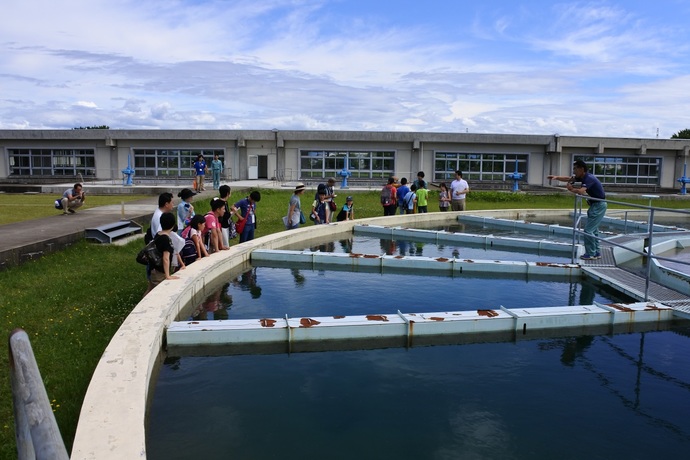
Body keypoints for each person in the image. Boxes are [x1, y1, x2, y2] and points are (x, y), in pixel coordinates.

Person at [548, 160, 607, 260]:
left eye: (575, 168)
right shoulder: (583, 177)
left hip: (598, 205)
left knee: (588, 231)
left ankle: (591, 254)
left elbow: (581, 191)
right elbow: (569, 178)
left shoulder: (589, 178)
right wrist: (556, 177)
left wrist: (571, 189)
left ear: (581, 169)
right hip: (595, 205)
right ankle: (596, 252)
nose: (574, 171)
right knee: (594, 231)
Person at [144, 212, 180, 296]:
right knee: (157, 294)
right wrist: (168, 275)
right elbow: (166, 258)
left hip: (153, 268)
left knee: (150, 290)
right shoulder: (165, 239)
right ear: (172, 225)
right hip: (159, 272)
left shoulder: (158, 234)